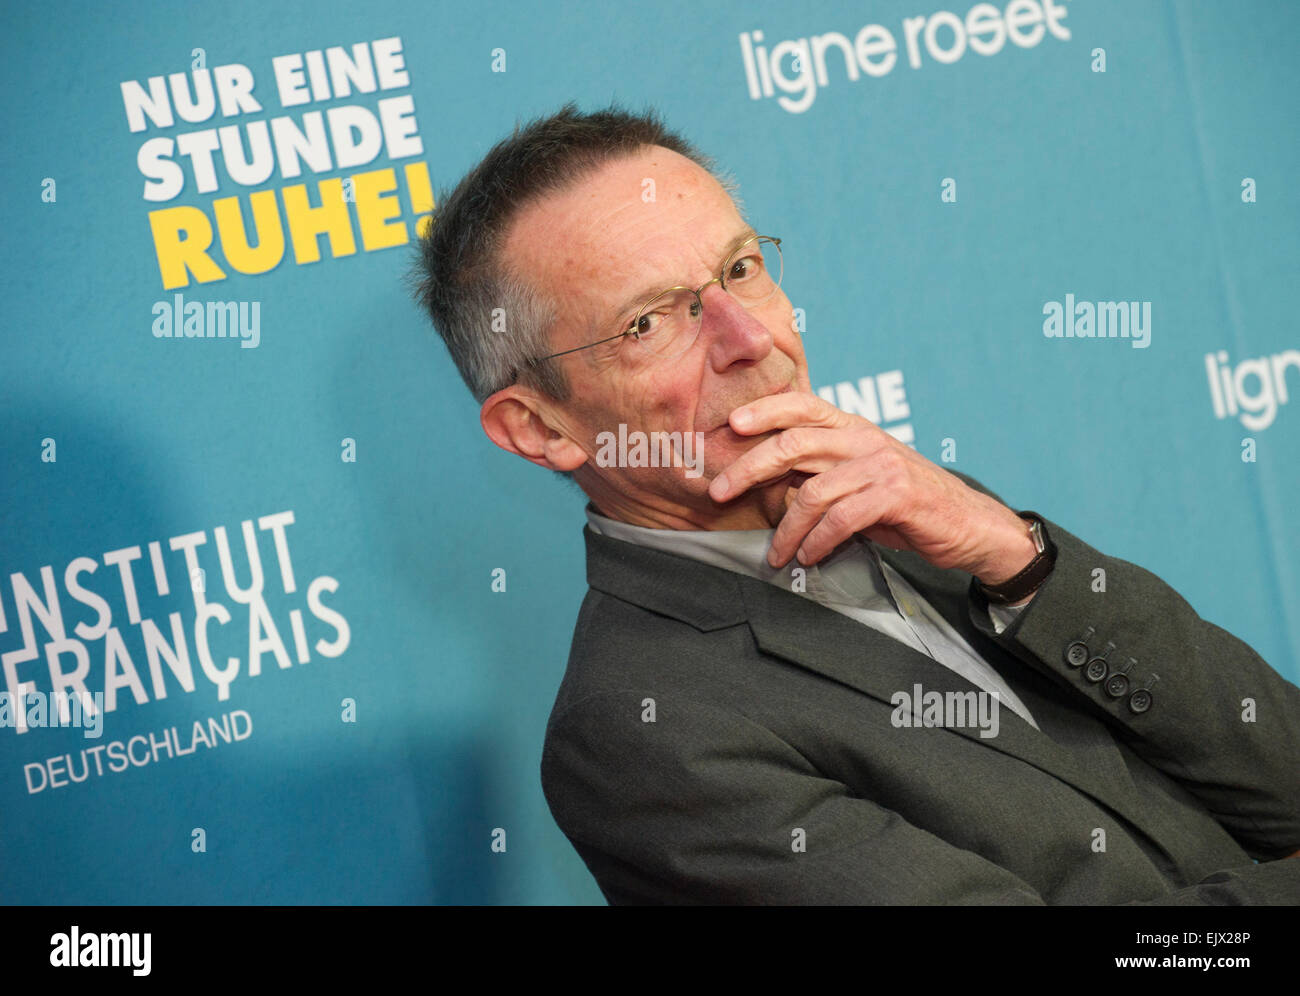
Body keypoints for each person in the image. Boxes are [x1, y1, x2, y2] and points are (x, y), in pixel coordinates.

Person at [410, 103, 1300, 904]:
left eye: (742, 268)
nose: (749, 338)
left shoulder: (934, 517)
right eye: (651, 322)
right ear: (540, 429)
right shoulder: (639, 736)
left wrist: (1020, 559)